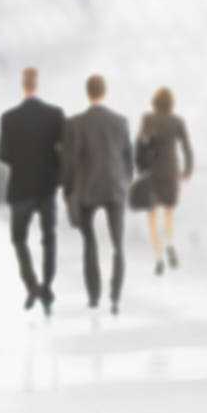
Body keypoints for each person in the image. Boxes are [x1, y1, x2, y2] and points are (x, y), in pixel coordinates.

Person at [62, 74, 132, 315]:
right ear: (104, 91)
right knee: (118, 244)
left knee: (89, 243)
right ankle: (115, 297)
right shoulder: (120, 122)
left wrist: (68, 190)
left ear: (88, 92)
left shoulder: (75, 124)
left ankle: (94, 297)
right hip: (114, 189)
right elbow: (128, 159)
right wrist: (125, 183)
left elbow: (69, 163)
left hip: (86, 189)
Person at [0, 68, 65, 314]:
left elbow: (3, 155)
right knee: (49, 238)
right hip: (47, 187)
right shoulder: (55, 115)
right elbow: (63, 151)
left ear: (23, 86)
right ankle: (46, 287)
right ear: (37, 84)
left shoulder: (9, 118)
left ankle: (32, 285)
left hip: (20, 189)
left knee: (19, 239)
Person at [136, 87, 193, 275]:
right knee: (169, 213)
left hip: (152, 172)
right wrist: (187, 171)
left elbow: (139, 144)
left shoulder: (148, 119)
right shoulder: (177, 122)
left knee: (152, 215)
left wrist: (140, 168)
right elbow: (186, 148)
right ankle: (170, 243)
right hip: (171, 171)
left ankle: (159, 258)